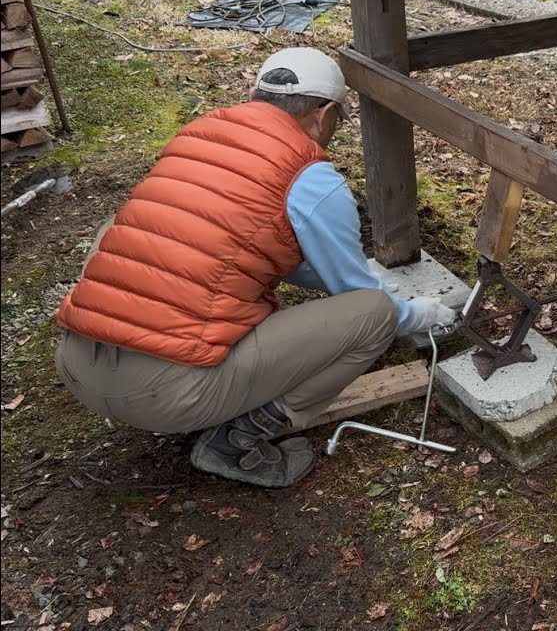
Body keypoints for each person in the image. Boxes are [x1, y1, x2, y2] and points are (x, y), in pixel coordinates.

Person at [53, 47, 456, 488]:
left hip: (76, 363)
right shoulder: (311, 177)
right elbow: (357, 297)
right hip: (164, 397)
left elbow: (232, 247)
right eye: (337, 122)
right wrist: (419, 314)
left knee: (123, 227)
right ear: (323, 114)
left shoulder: (199, 136)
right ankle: (238, 442)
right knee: (375, 314)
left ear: (257, 95)